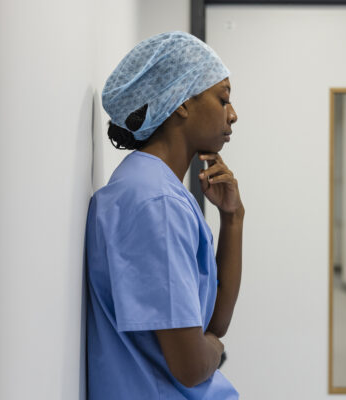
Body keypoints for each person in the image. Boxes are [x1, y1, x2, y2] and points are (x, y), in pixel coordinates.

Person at [85, 31, 244, 399]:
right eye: (223, 99)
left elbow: (215, 323)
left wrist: (232, 219)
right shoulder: (155, 203)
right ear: (181, 102)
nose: (232, 115)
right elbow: (191, 368)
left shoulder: (153, 188)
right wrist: (215, 351)